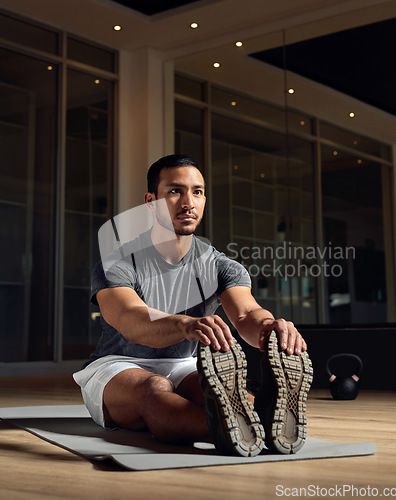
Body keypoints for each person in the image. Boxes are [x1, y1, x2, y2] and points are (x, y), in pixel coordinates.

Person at [73, 154, 313, 457]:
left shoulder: (221, 266)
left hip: (184, 365)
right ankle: (247, 427)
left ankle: (254, 415)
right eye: (175, 191)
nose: (189, 201)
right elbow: (132, 320)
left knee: (232, 397)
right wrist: (184, 324)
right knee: (154, 389)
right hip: (118, 365)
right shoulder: (117, 264)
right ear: (151, 201)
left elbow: (246, 313)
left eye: (197, 191)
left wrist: (270, 329)